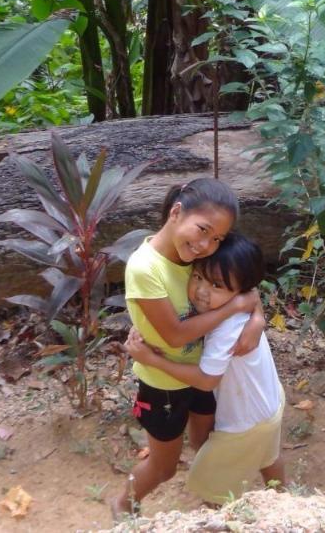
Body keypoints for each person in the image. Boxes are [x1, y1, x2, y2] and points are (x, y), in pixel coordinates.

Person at [114, 179, 266, 517]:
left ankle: (216, 501)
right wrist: (236, 308)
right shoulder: (145, 268)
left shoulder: (191, 257)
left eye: (216, 239)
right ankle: (123, 505)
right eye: (202, 230)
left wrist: (256, 317)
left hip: (202, 373)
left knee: (207, 443)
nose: (205, 245)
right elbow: (175, 335)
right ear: (176, 212)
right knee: (163, 467)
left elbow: (244, 288)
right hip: (164, 384)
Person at [124, 233, 286, 505]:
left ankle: (225, 515)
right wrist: (256, 315)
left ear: (240, 292)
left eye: (216, 285)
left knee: (212, 484)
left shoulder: (226, 329)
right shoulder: (234, 307)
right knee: (268, 455)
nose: (202, 290)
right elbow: (248, 291)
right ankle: (286, 498)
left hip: (244, 425)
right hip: (270, 405)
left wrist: (152, 360)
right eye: (198, 277)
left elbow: (208, 380)